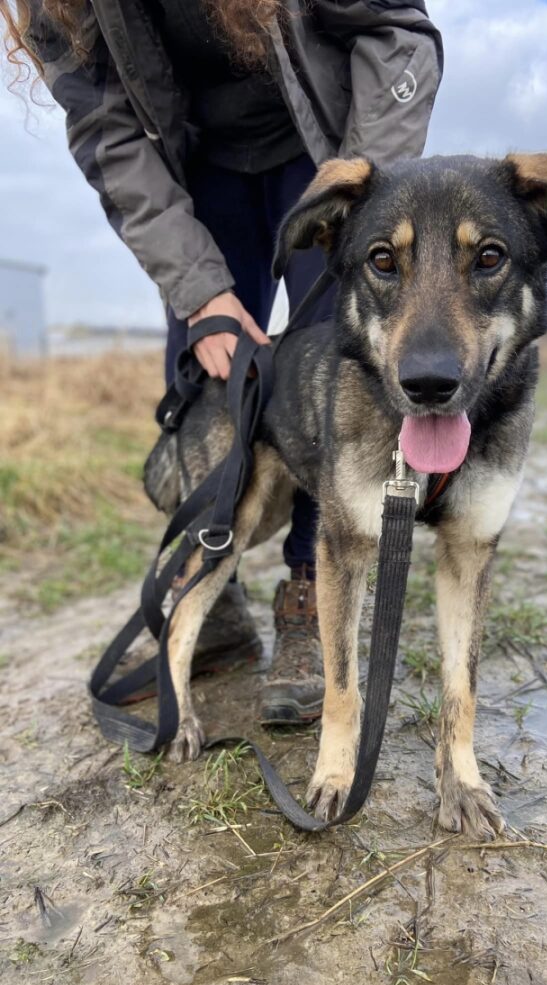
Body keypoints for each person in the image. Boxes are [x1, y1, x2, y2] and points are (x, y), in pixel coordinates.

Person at [1, 0, 443, 723]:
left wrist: (362, 194)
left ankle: (310, 587)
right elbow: (110, 134)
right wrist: (201, 291)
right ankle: (216, 597)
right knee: (205, 377)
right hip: (201, 165)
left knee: (337, 379)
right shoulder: (55, 6)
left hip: (327, 143)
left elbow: (397, 33)